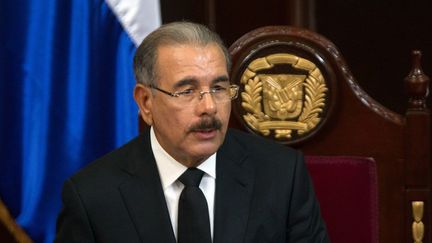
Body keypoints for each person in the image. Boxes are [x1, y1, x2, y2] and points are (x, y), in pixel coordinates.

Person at [55, 21, 330, 243]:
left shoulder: (282, 175)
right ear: (146, 102)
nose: (209, 107)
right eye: (187, 91)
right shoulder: (92, 196)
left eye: (219, 88)